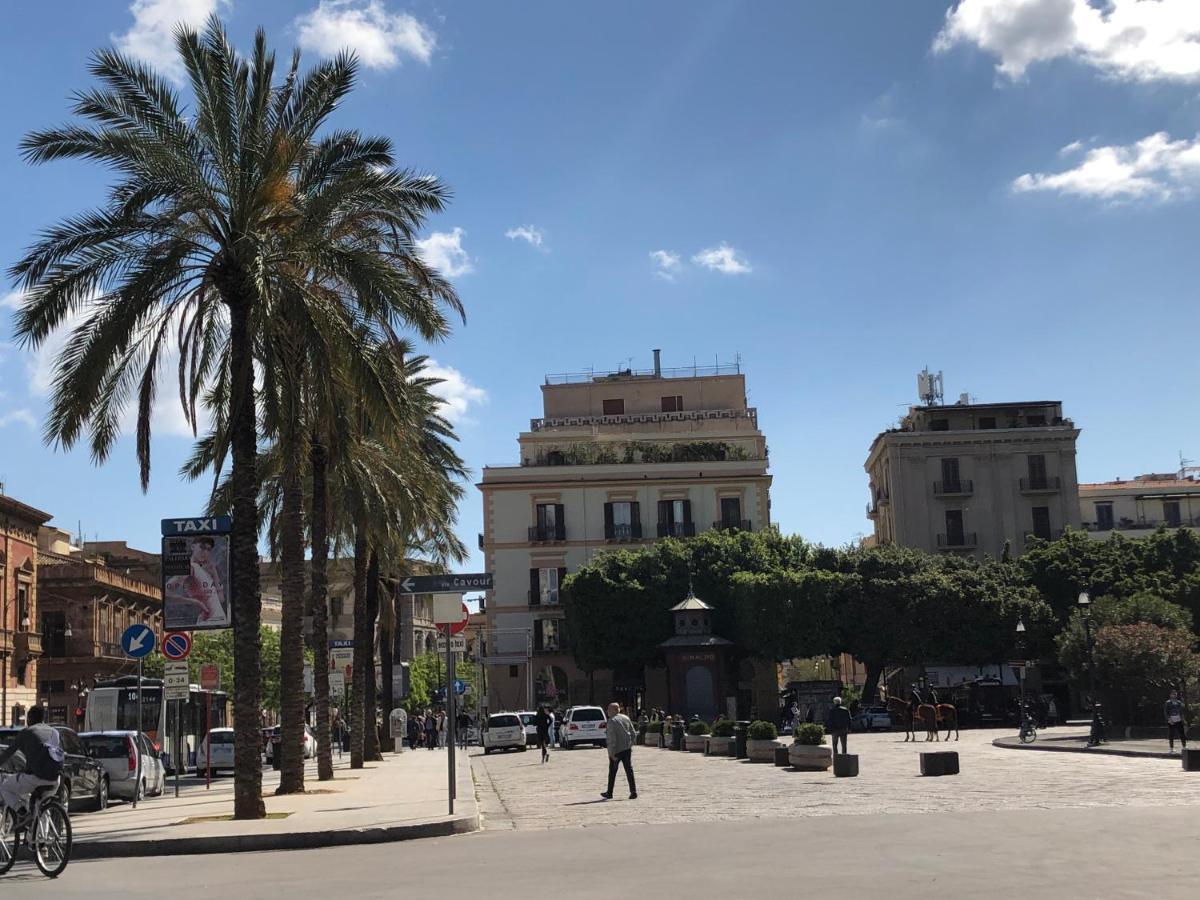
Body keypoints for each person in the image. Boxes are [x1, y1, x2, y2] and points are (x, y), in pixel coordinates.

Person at [0, 706, 65, 824]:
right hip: (55, 779)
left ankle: (22, 813)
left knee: (4, 787)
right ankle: (40, 838)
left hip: (35, 778)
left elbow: (9, 752)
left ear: (29, 719)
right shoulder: (55, 732)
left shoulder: (27, 732)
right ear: (43, 718)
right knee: (41, 806)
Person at [600, 702, 637, 800]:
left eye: (609, 709)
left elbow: (612, 738)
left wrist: (611, 753)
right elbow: (633, 734)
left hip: (616, 750)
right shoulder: (626, 718)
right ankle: (633, 792)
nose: (607, 711)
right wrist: (630, 745)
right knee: (629, 770)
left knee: (612, 772)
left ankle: (609, 792)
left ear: (615, 710)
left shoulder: (612, 721)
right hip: (627, 749)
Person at [1165, 689, 1188, 753]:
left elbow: (1181, 712)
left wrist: (1183, 719)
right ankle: (1171, 748)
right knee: (1171, 734)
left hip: (1178, 719)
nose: (1174, 695)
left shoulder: (1179, 702)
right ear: (1170, 695)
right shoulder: (1168, 702)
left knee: (1182, 734)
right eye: (1173, 694)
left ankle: (1184, 746)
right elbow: (1166, 712)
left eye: (1175, 694)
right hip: (1171, 720)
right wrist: (1169, 719)